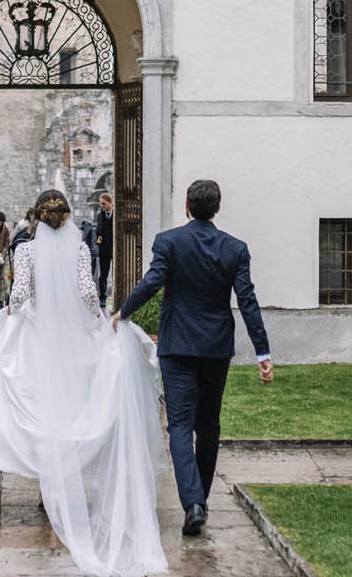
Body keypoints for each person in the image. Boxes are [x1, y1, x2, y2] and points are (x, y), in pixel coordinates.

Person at [0, 190, 168, 577]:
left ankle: (48, 485)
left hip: (38, 338)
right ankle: (62, 479)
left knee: (36, 403)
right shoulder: (80, 249)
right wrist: (99, 322)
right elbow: (86, 293)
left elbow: (19, 294)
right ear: (66, 219)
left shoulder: (27, 252)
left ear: (37, 220)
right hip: (71, 338)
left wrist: (16, 312)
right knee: (71, 404)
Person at [116, 179, 273, 537]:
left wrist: (124, 311)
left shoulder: (169, 241)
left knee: (180, 425)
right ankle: (198, 498)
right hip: (215, 347)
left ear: (187, 206)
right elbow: (247, 300)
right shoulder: (235, 248)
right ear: (217, 209)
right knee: (209, 424)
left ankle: (193, 503)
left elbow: (152, 282)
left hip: (177, 346)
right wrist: (262, 351)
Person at [94, 192, 115, 304]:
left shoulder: (117, 214)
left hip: (116, 248)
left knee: (117, 272)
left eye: (104, 203)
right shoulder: (99, 215)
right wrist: (98, 243)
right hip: (104, 249)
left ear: (110, 203)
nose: (101, 206)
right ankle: (102, 297)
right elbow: (98, 233)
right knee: (103, 274)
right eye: (100, 204)